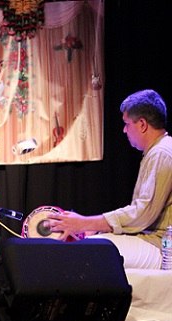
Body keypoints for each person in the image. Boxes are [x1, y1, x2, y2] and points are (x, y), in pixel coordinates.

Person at [47, 89, 172, 270]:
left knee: (89, 252)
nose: (124, 130)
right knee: (90, 245)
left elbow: (143, 214)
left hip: (161, 247)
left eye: (127, 123)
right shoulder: (157, 151)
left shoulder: (161, 153)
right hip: (151, 240)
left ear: (142, 124)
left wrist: (84, 223)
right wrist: (95, 226)